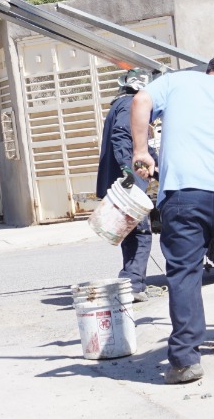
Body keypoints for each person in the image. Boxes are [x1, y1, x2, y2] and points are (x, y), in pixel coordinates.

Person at [131, 52, 214, 385]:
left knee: (184, 273)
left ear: (211, 71)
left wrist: (140, 150)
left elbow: (141, 99)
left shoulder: (179, 81)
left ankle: (185, 360)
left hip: (182, 193)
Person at [95, 68, 158, 302]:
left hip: (123, 179)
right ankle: (133, 285)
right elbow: (122, 138)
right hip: (128, 182)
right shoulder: (130, 105)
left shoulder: (119, 105)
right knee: (141, 232)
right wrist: (129, 173)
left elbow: (136, 144)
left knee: (132, 232)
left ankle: (132, 282)